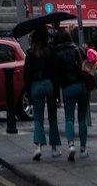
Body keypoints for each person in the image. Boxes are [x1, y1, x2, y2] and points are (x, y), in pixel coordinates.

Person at [22, 24, 61, 159]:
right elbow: (56, 73)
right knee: (52, 118)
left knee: (38, 118)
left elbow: (26, 75)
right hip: (49, 84)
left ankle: (38, 147)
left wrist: (29, 91)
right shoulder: (50, 51)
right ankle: (54, 148)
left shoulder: (30, 53)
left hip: (36, 85)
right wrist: (57, 95)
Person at [54, 24, 90, 160]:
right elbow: (87, 64)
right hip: (82, 86)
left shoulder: (57, 54)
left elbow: (56, 76)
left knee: (69, 118)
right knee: (82, 119)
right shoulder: (78, 49)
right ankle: (83, 148)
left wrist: (57, 96)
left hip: (68, 88)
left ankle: (71, 145)